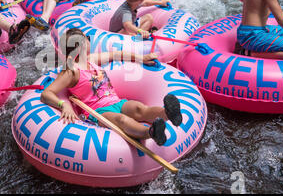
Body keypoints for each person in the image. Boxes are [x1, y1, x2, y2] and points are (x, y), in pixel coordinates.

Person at [40, 28, 183, 145]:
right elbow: (47, 93)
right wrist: (63, 105)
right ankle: (151, 133)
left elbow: (116, 54)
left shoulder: (92, 60)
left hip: (116, 101)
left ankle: (169, 114)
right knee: (122, 120)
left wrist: (141, 58)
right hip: (98, 112)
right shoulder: (72, 71)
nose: (90, 40)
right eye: (87, 39)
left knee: (139, 108)